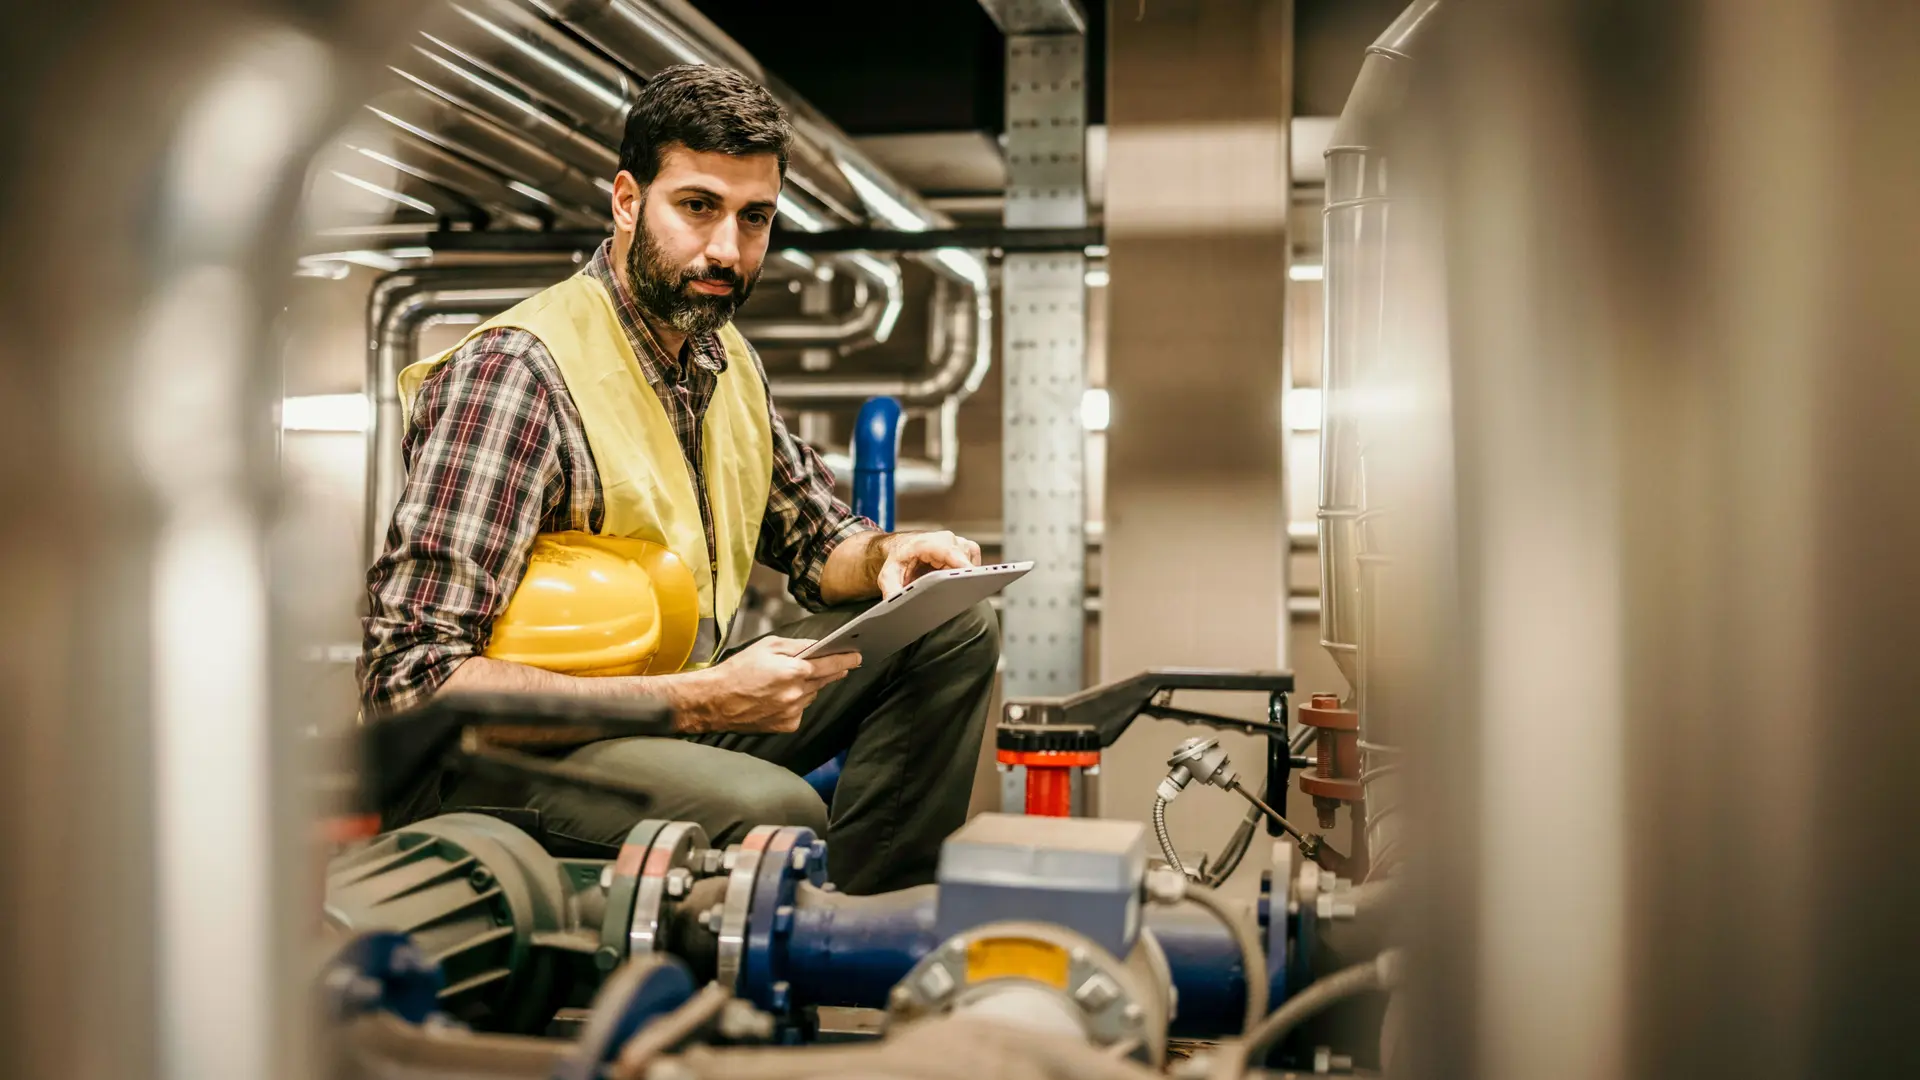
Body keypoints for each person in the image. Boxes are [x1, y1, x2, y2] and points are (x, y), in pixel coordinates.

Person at [359, 64, 997, 894]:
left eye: (755, 218)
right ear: (627, 202)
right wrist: (700, 700)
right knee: (777, 809)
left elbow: (816, 536)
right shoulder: (518, 376)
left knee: (948, 626)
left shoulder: (722, 360)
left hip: (670, 716)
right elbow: (411, 687)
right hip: (494, 762)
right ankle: (796, 953)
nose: (727, 250)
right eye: (698, 207)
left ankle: (875, 938)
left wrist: (890, 559)